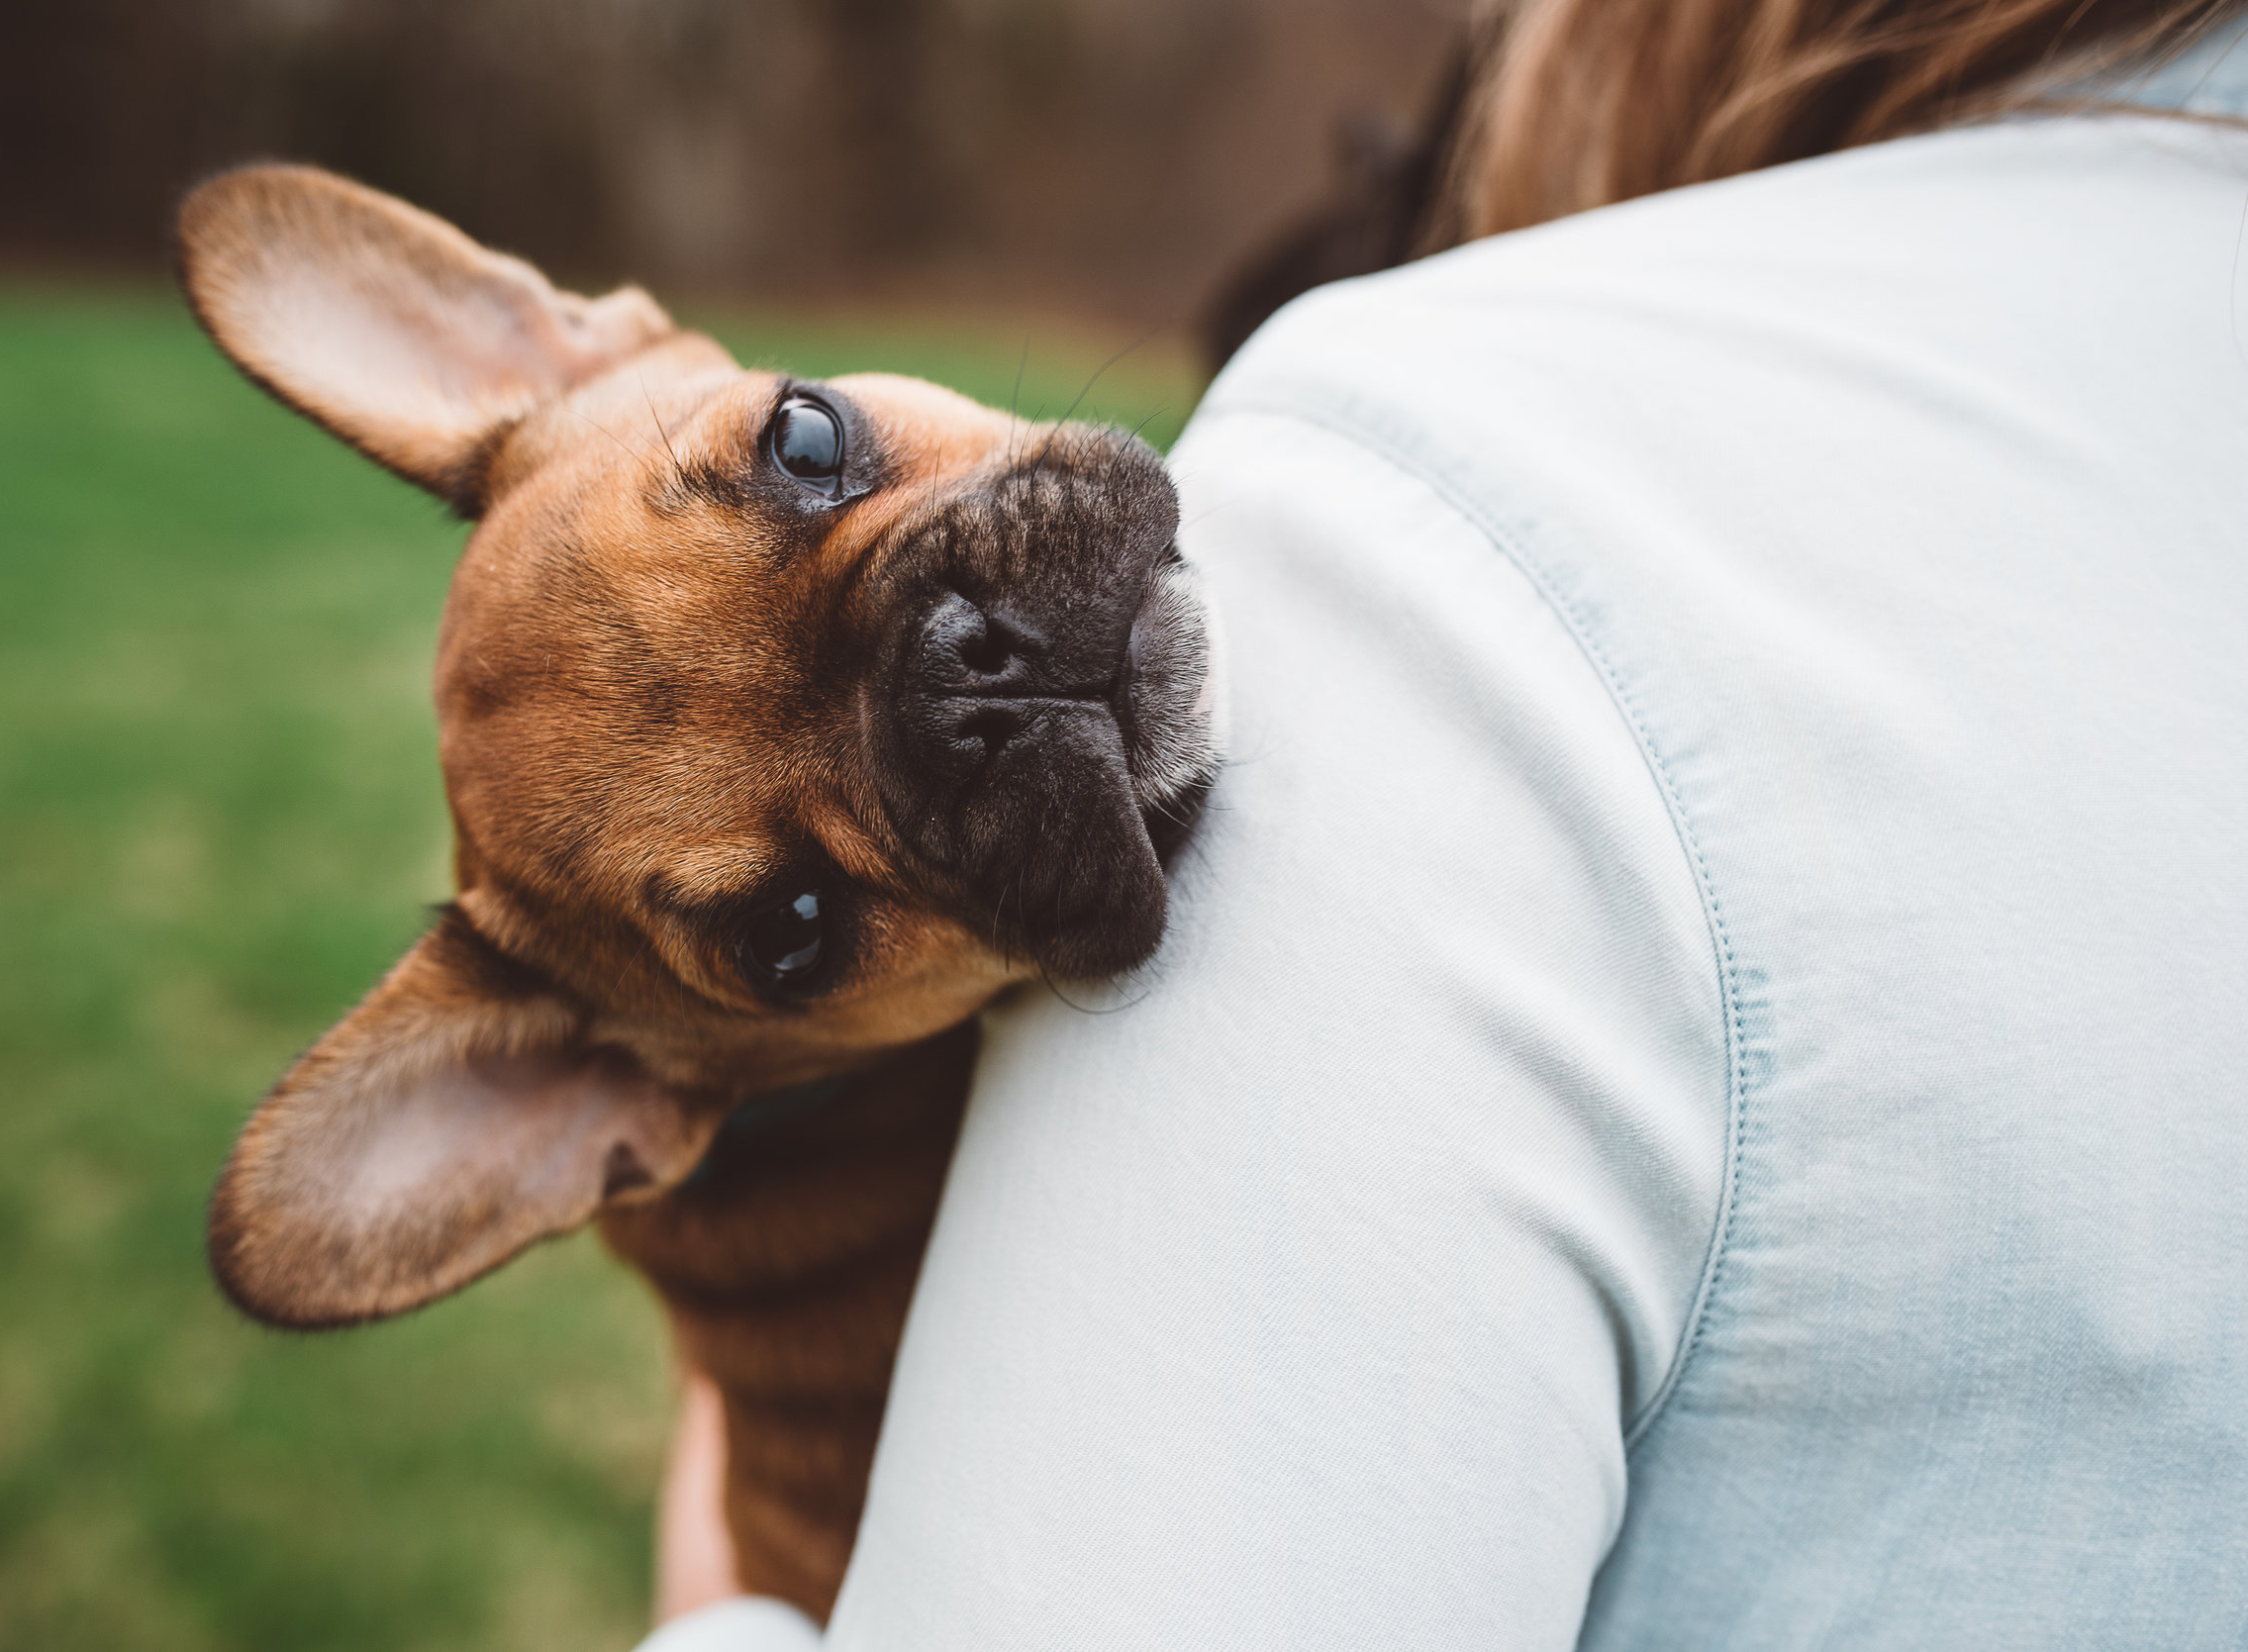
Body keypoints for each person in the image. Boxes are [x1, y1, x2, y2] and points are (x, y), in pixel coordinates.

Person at [643, 1, 2248, 1645]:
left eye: (811, 449)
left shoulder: (1418, 529)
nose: (961, 676)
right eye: (791, 919)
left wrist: (728, 1611)